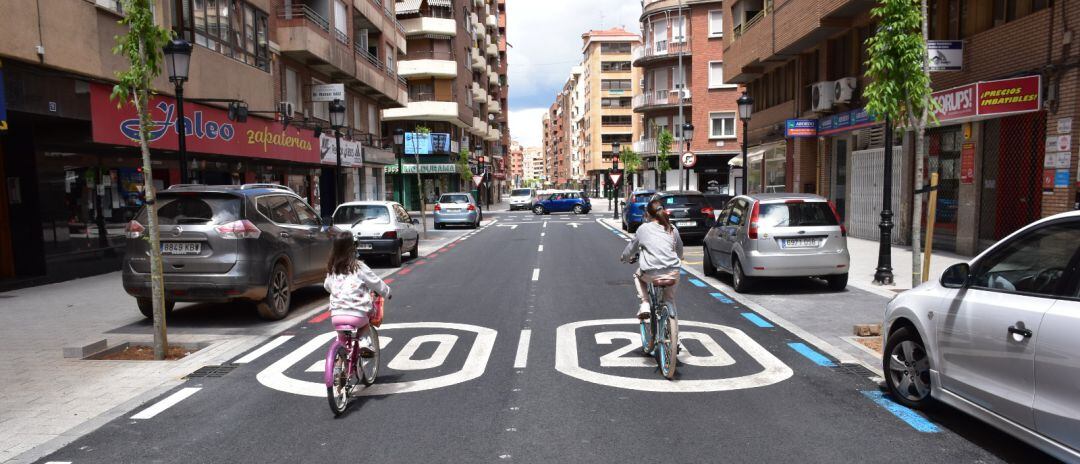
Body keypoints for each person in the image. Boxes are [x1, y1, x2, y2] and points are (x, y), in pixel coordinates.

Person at [324, 231, 391, 356]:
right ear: (353, 248)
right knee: (365, 323)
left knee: (341, 337)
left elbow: (327, 286)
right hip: (357, 315)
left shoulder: (333, 269)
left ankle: (339, 368)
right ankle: (363, 341)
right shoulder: (359, 266)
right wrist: (387, 292)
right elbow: (376, 283)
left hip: (336, 316)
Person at [621, 199, 684, 319]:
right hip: (673, 272)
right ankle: (674, 333)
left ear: (647, 215)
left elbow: (631, 248)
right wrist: (680, 257)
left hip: (651, 273)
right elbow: (679, 249)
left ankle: (645, 303)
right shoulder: (672, 228)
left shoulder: (643, 229)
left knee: (638, 276)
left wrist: (624, 258)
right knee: (669, 299)